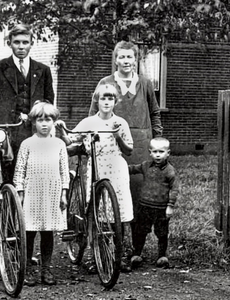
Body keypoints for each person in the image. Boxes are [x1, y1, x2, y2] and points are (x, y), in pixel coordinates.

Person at [0, 23, 55, 269]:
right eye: (17, 42)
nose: (21, 47)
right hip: (4, 139)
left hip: (32, 141)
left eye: (25, 42)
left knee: (27, 193)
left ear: (32, 44)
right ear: (9, 43)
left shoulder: (42, 70)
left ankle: (23, 247)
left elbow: (48, 104)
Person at [89, 41, 163, 262]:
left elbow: (155, 112)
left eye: (130, 57)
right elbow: (93, 113)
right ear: (116, 59)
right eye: (121, 57)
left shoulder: (146, 84)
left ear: (136, 60)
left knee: (137, 195)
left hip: (140, 144)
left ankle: (134, 248)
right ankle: (109, 244)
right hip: (110, 145)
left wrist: (157, 138)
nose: (126, 62)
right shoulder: (105, 83)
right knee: (112, 193)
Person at [59, 83, 134, 272]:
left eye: (110, 98)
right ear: (97, 100)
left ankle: (119, 255)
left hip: (116, 169)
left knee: (119, 214)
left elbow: (129, 150)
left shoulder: (120, 123)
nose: (107, 102)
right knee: (96, 212)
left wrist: (118, 137)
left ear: (115, 101)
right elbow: (71, 141)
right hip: (96, 168)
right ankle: (97, 255)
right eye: (103, 98)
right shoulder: (89, 122)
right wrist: (62, 131)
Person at [13, 101, 70, 286]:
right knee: (29, 232)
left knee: (47, 233)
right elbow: (19, 170)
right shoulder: (27, 144)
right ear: (33, 122)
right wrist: (19, 192)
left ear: (54, 121)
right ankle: (27, 268)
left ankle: (46, 270)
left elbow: (64, 171)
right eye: (40, 120)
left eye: (48, 120)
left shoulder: (59, 144)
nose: (44, 124)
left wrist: (63, 193)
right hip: (31, 192)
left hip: (51, 192)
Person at [128, 137, 179, 269]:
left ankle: (162, 256)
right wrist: (121, 167)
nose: (157, 155)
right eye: (154, 151)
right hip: (144, 206)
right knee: (140, 231)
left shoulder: (169, 170)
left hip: (161, 207)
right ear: (150, 152)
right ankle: (137, 254)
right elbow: (133, 169)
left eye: (161, 152)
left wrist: (170, 206)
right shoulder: (145, 166)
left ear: (168, 153)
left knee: (162, 232)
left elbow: (174, 189)